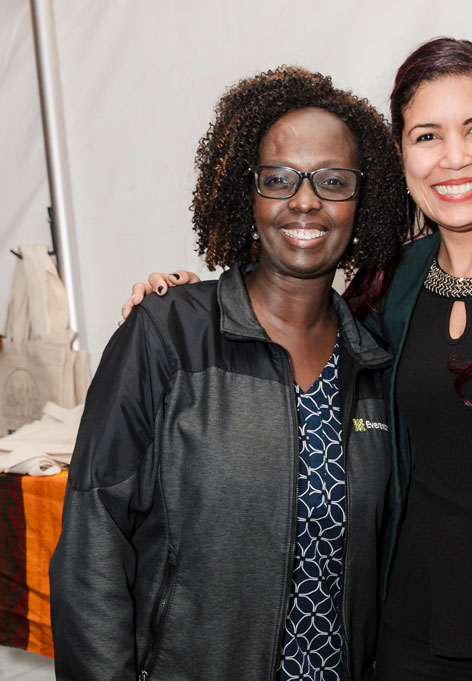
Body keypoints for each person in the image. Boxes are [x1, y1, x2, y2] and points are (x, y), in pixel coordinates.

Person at [124, 38, 472, 681]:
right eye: (427, 136)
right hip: (407, 634)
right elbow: (298, 330)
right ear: (401, 159)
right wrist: (199, 305)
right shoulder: (390, 284)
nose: (454, 158)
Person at [49, 66, 407, 681]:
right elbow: (92, 550)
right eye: (278, 178)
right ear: (248, 193)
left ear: (362, 200)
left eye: (333, 180)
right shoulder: (166, 335)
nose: (304, 200)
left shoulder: (373, 362)